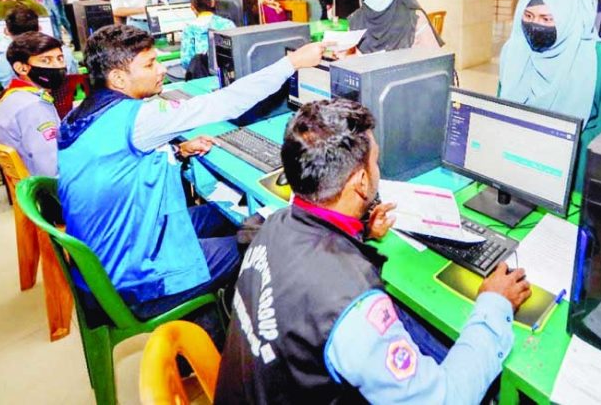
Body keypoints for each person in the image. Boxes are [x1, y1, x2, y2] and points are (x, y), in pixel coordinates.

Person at [214, 98, 532, 404]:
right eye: (375, 160)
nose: (378, 168)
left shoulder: (272, 223)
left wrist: (360, 231)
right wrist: (494, 304)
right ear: (362, 182)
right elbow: (443, 399)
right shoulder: (351, 308)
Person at [58, 25, 326, 341]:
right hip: (136, 276)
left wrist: (175, 149)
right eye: (149, 65)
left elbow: (115, 166)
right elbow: (226, 102)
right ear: (117, 78)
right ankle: (240, 335)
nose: (161, 70)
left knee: (222, 215)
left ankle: (203, 328)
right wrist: (291, 64)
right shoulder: (139, 119)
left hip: (111, 251)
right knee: (259, 242)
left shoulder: (83, 113)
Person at [499, 0, 601, 191]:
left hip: (574, 184)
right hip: (516, 174)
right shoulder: (514, 52)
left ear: (572, 16)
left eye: (547, 19)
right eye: (528, 15)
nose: (535, 25)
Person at [0, 32, 68, 177]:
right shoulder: (35, 107)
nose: (57, 66)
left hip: (28, 181)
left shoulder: (14, 96)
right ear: (22, 68)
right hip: (47, 188)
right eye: (46, 61)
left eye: (60, 59)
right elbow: (51, 169)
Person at [0, 7, 78, 101]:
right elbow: (73, 78)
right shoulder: (64, 53)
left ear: (6, 31)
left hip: (25, 118)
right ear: (39, 28)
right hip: (63, 112)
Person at [179, 0, 236, 70]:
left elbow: (186, 62)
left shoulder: (189, 30)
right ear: (212, 3)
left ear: (192, 8)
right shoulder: (228, 24)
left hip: (200, 79)